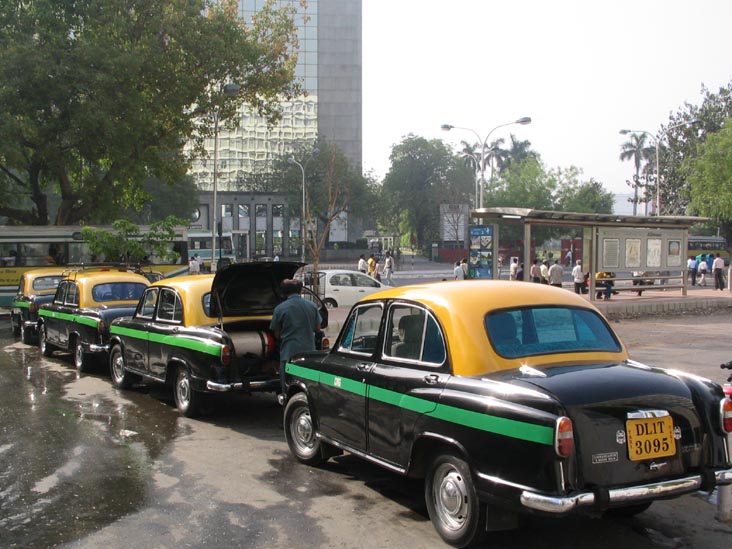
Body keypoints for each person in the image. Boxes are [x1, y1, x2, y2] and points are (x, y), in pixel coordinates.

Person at [269, 279, 323, 396]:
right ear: (300, 290)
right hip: (309, 355)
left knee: (288, 390)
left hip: (288, 355)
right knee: (308, 390)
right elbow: (318, 329)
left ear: (284, 293)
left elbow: (276, 335)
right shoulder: (312, 306)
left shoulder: (280, 309)